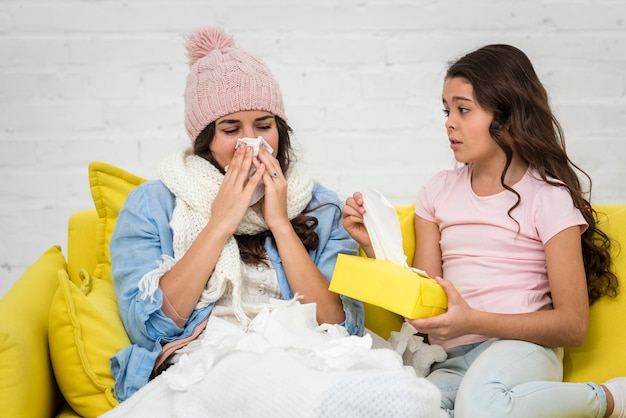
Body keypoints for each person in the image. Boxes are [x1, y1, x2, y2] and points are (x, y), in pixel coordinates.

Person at [342, 44, 625, 418]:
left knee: (480, 406)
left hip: (522, 349)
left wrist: (474, 320)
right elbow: (426, 297)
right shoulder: (437, 192)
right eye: (447, 110)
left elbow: (572, 327)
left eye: (463, 109)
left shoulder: (548, 198)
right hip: (455, 358)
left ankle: (609, 398)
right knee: (406, 407)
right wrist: (375, 244)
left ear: (506, 116)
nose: (449, 122)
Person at [108, 27, 366, 403]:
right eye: (231, 129)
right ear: (206, 139)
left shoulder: (321, 205)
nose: (253, 142)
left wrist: (279, 223)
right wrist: (220, 222)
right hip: (208, 365)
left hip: (306, 357)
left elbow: (340, 327)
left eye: (264, 126)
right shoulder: (152, 204)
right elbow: (150, 329)